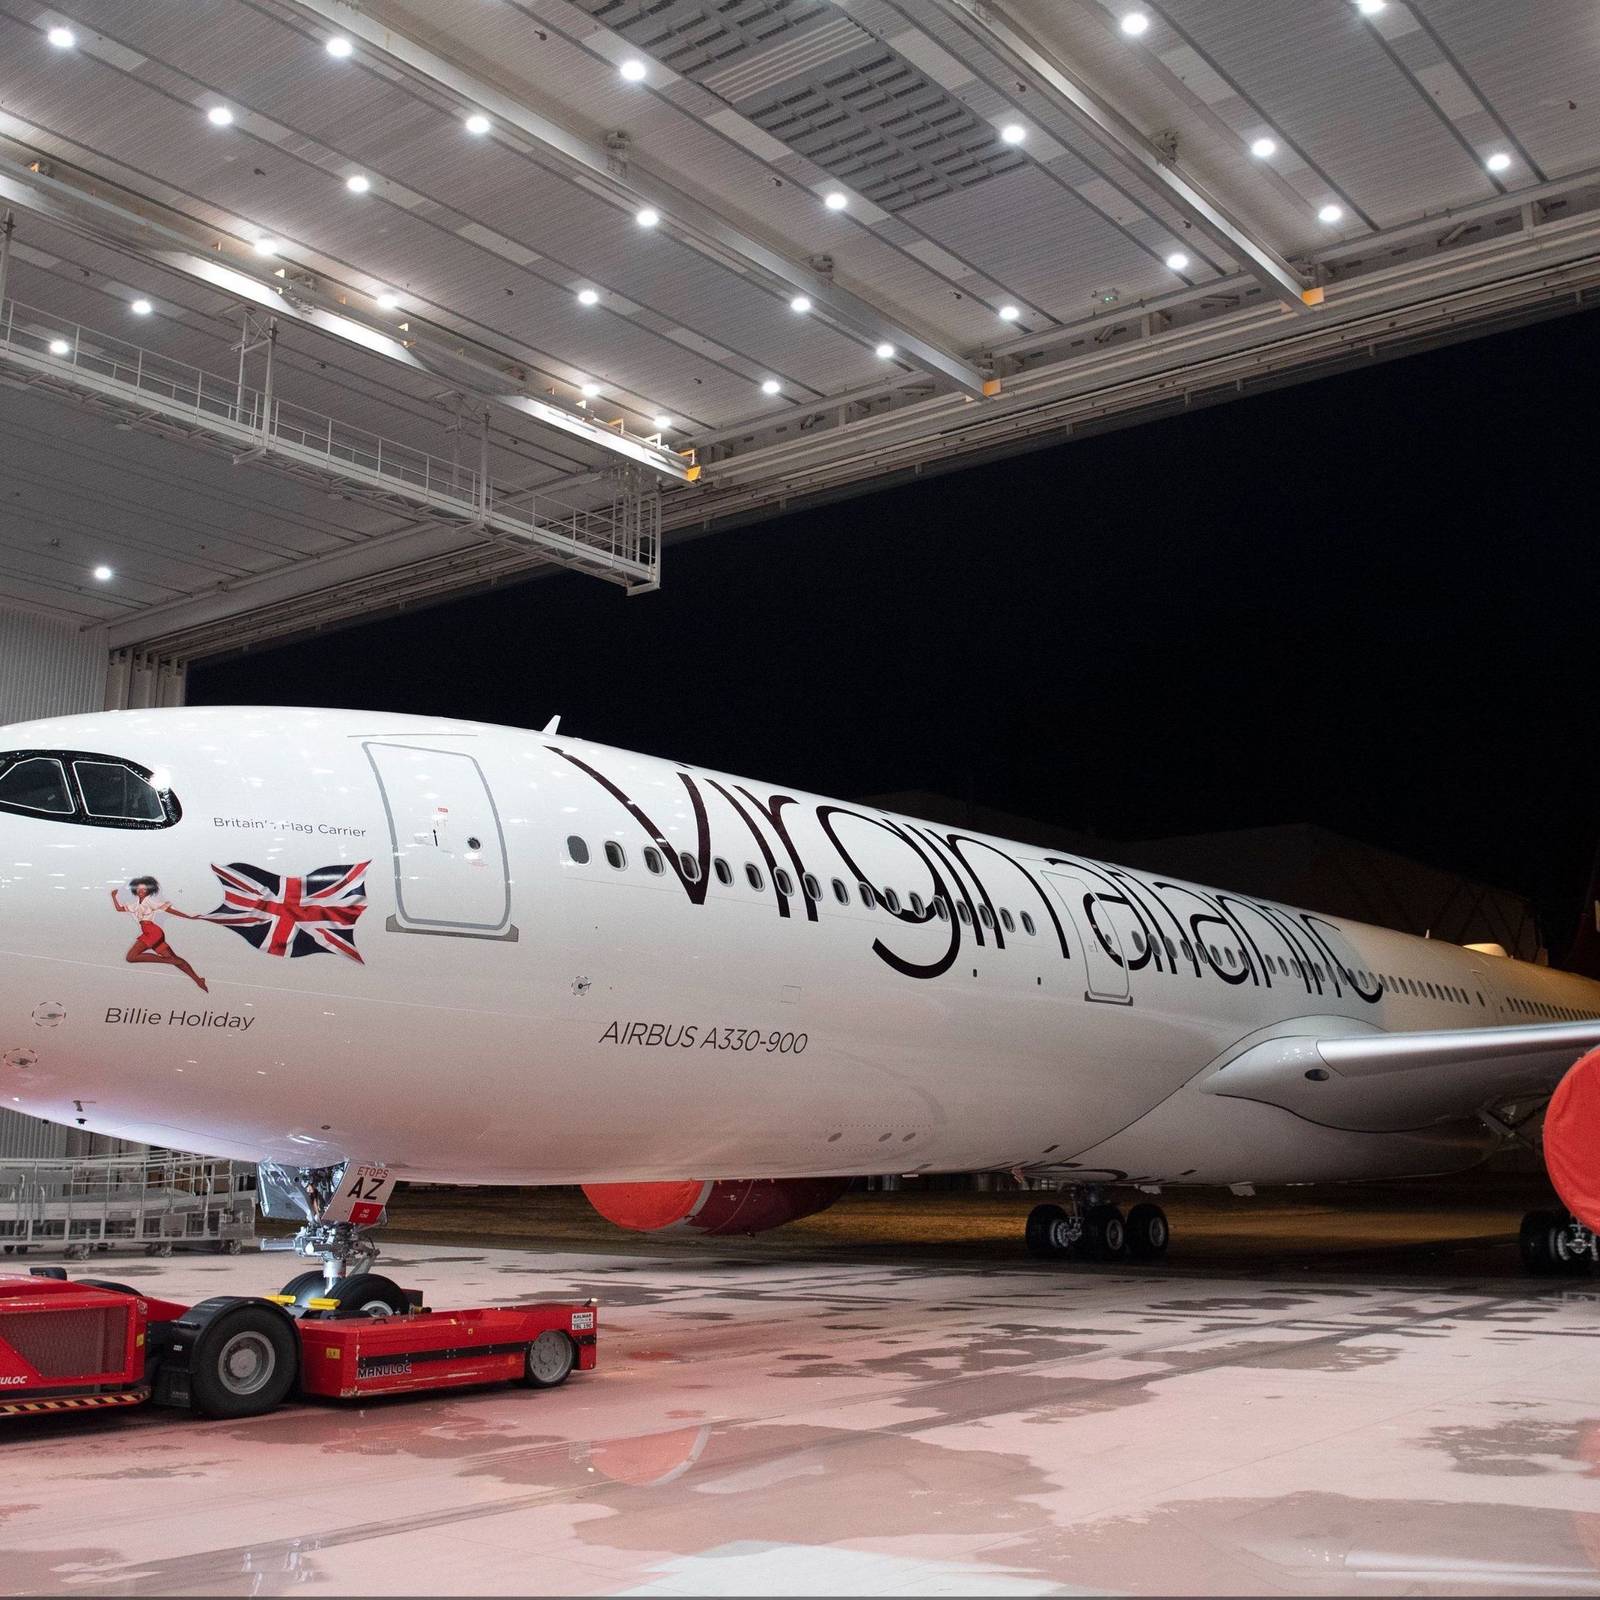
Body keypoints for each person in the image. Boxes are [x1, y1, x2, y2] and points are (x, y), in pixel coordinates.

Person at [110, 876, 208, 993]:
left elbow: (169, 910)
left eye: (144, 890)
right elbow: (119, 909)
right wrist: (114, 897)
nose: (141, 891)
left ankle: (169, 961)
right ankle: (198, 980)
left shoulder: (150, 902)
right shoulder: (135, 904)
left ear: (149, 891)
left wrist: (189, 917)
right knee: (175, 959)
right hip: (149, 932)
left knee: (131, 957)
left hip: (152, 933)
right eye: (139, 889)